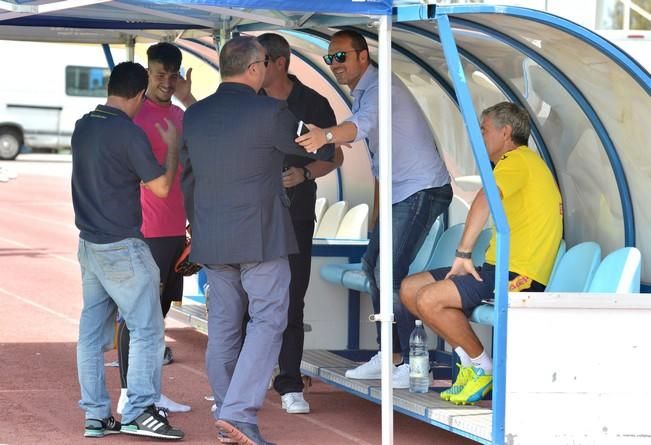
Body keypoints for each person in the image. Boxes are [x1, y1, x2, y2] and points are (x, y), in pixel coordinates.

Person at [180, 36, 333, 445]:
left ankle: (227, 411)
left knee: (225, 327)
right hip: (261, 237)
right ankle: (239, 413)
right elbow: (318, 145)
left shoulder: (195, 116)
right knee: (269, 320)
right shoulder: (272, 112)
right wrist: (333, 137)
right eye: (264, 63)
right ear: (253, 69)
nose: (267, 69)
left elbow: (187, 178)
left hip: (212, 239)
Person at [296, 29, 452, 388]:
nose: (334, 65)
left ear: (362, 57)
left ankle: (415, 363)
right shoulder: (365, 91)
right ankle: (391, 355)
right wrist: (378, 214)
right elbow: (379, 158)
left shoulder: (381, 88)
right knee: (372, 264)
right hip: (402, 191)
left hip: (422, 189)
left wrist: (326, 136)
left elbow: (359, 128)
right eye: (329, 58)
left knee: (389, 272)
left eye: (341, 57)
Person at [400, 102, 563, 405]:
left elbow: (484, 198)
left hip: (520, 275)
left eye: (484, 129)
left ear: (506, 132)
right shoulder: (515, 163)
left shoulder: (516, 160)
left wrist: (463, 253)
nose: (480, 136)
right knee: (410, 289)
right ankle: (471, 362)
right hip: (496, 267)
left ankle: (485, 369)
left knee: (429, 298)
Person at [72, 61, 184, 440]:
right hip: (122, 246)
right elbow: (163, 188)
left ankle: (97, 416)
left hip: (89, 244)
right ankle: (139, 411)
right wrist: (171, 149)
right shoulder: (129, 133)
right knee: (148, 330)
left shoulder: (83, 125)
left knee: (91, 333)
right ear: (138, 94)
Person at [257, 32, 342, 415]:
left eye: (259, 61)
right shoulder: (247, 99)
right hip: (251, 216)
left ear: (280, 62)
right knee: (247, 301)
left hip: (295, 216)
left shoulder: (313, 103)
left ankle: (290, 383)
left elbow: (334, 157)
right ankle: (247, 383)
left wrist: (304, 175)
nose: (253, 68)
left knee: (292, 300)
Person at [116, 42, 194, 416]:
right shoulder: (134, 114)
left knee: (158, 316)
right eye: (159, 74)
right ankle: (131, 393)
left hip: (175, 230)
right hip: (143, 230)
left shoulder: (181, 115)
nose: (166, 82)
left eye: (172, 75)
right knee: (137, 316)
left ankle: (150, 392)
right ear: (148, 73)